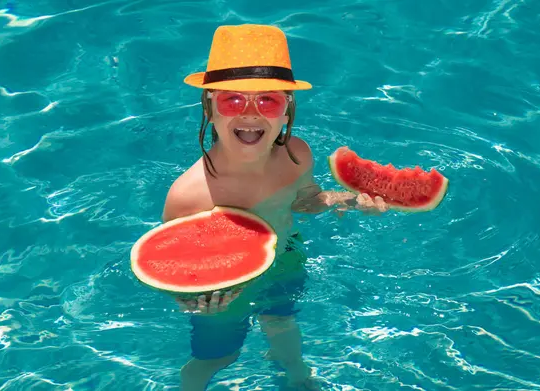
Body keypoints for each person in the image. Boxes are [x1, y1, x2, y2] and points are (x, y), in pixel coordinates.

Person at [162, 24, 388, 391]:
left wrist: (348, 201)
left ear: (286, 110)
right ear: (209, 107)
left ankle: (296, 376)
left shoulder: (296, 156)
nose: (251, 114)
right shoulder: (188, 196)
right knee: (218, 356)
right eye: (231, 100)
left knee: (283, 326)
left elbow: (306, 202)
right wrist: (193, 303)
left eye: (268, 100)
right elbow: (170, 269)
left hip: (286, 255)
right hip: (224, 292)